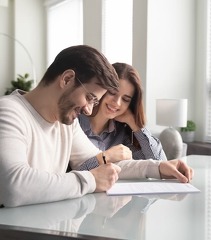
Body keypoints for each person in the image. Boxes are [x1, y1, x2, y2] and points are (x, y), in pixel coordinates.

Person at [0, 45, 193, 208]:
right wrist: (91, 180)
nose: (88, 109)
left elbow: (105, 164)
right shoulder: (9, 111)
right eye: (90, 98)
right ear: (66, 79)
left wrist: (158, 168)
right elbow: (14, 187)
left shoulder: (66, 123)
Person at [77, 62, 166, 171]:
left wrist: (134, 123)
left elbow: (160, 163)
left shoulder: (122, 134)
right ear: (102, 89)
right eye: (112, 92)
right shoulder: (75, 122)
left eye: (125, 99)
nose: (117, 103)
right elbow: (70, 173)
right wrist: (107, 157)